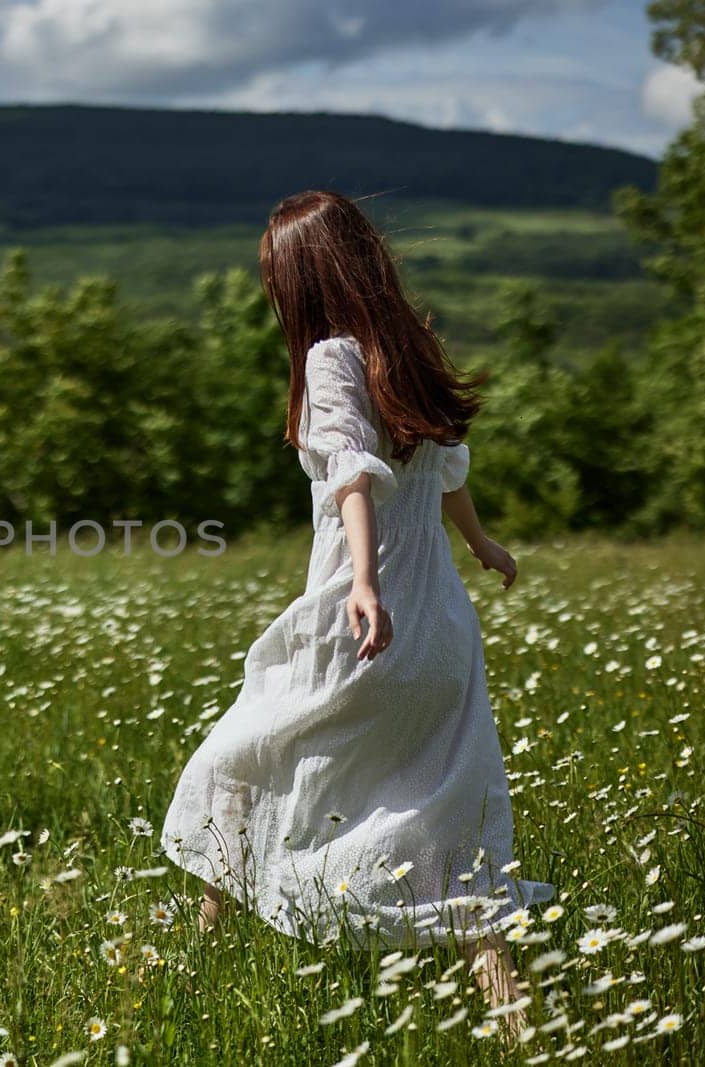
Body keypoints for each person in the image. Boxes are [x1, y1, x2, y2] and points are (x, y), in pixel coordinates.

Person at [158, 189, 553, 1027]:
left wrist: (365, 582)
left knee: (240, 761)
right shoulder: (405, 349)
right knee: (447, 806)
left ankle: (198, 958)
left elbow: (351, 475)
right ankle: (514, 1014)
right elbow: (446, 469)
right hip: (440, 626)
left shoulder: (330, 359)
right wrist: (482, 546)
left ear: (297, 280)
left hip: (361, 621)